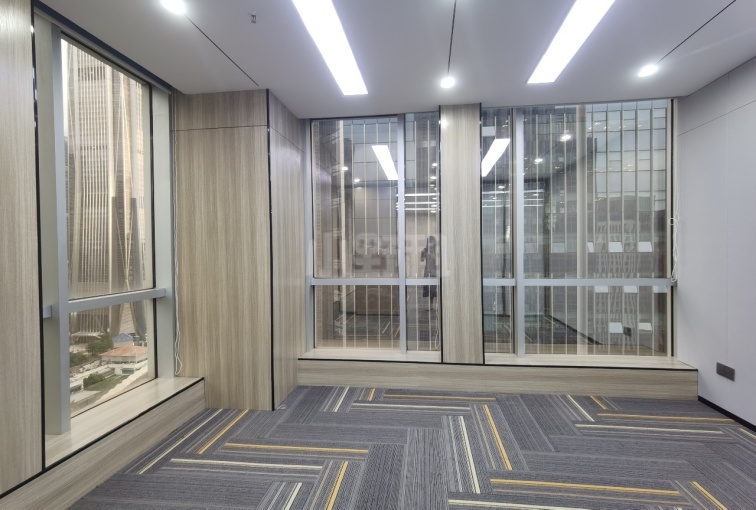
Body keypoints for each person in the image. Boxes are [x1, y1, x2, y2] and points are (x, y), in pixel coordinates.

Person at [421, 235, 437, 309]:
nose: (431, 243)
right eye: (430, 242)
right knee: (428, 287)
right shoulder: (425, 250)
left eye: (432, 242)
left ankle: (433, 305)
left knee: (433, 288)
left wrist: (435, 255)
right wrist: (422, 254)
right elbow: (422, 260)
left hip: (433, 270)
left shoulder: (436, 250)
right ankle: (430, 305)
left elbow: (438, 260)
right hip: (427, 270)